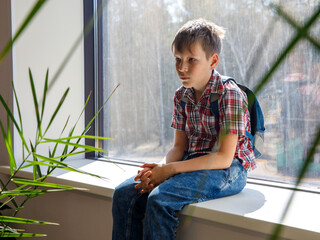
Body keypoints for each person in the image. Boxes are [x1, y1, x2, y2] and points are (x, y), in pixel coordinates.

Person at [112, 18, 256, 240]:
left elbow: (224, 158)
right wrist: (160, 167)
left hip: (228, 170)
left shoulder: (230, 94)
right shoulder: (181, 95)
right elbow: (179, 147)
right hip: (192, 161)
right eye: (178, 59)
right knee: (123, 194)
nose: (182, 68)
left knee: (160, 200)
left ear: (213, 60)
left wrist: (170, 171)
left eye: (192, 60)